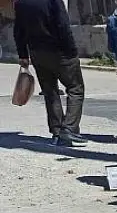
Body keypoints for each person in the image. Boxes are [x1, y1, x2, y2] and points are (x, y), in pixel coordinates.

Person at [14, 0, 86, 147]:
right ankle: (69, 129)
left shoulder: (20, 2)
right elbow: (62, 24)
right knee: (75, 88)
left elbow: (19, 29)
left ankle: (57, 131)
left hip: (37, 52)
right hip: (59, 50)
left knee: (50, 91)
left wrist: (23, 54)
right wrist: (71, 49)